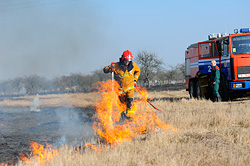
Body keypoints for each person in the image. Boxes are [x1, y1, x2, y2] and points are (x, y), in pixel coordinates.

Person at [103, 50, 141, 119]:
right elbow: (105, 69)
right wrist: (109, 69)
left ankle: (130, 119)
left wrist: (135, 80)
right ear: (123, 59)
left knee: (130, 104)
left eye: (129, 60)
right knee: (122, 105)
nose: (127, 62)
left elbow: (138, 71)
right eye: (126, 60)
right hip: (120, 90)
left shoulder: (133, 65)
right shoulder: (116, 66)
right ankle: (123, 119)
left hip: (130, 89)